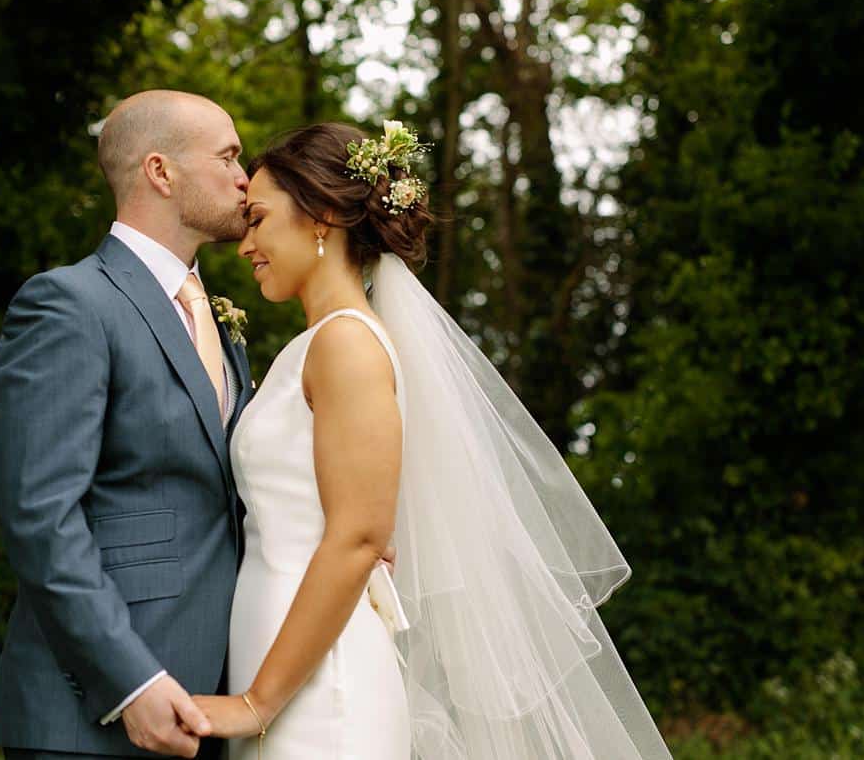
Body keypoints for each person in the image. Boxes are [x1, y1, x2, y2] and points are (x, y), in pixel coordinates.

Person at [194, 121, 675, 759]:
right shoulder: (310, 349)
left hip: (320, 688)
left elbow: (358, 536)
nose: (245, 243)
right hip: (284, 661)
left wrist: (257, 701)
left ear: (324, 216)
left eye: (257, 219)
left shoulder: (346, 345)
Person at [0, 89, 255, 759]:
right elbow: (40, 516)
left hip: (213, 703)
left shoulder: (221, 323)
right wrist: (130, 680)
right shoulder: (69, 304)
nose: (244, 178)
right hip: (91, 715)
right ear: (161, 172)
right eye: (228, 156)